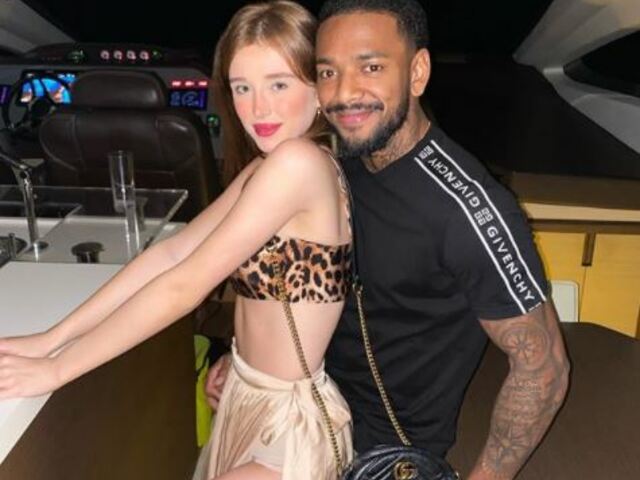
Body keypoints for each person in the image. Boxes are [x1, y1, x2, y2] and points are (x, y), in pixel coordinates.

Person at [207, 1, 571, 479]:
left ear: (417, 73)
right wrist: (250, 359)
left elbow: (543, 370)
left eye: (371, 67)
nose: (345, 92)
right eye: (328, 72)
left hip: (380, 454)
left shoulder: (468, 209)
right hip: (301, 408)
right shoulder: (331, 162)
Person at [0, 2, 354, 479]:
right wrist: (52, 340)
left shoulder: (297, 164)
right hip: (248, 396)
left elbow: (183, 285)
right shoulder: (269, 165)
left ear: (318, 87)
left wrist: (58, 370)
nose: (258, 108)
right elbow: (173, 251)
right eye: (242, 87)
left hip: (287, 423)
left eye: (279, 84)